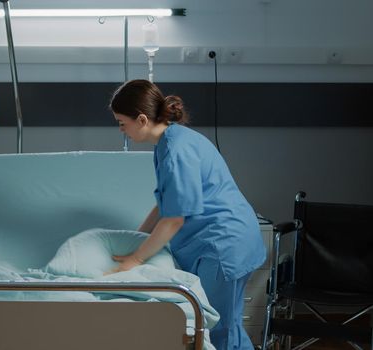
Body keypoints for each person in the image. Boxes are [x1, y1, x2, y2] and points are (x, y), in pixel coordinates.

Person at [108, 79, 265, 350]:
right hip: (229, 239)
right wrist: (135, 240)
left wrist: (135, 258)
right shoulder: (170, 142)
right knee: (229, 328)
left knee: (218, 331)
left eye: (122, 123)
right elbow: (165, 204)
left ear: (142, 119)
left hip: (223, 245)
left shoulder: (176, 150)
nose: (122, 130)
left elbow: (173, 219)